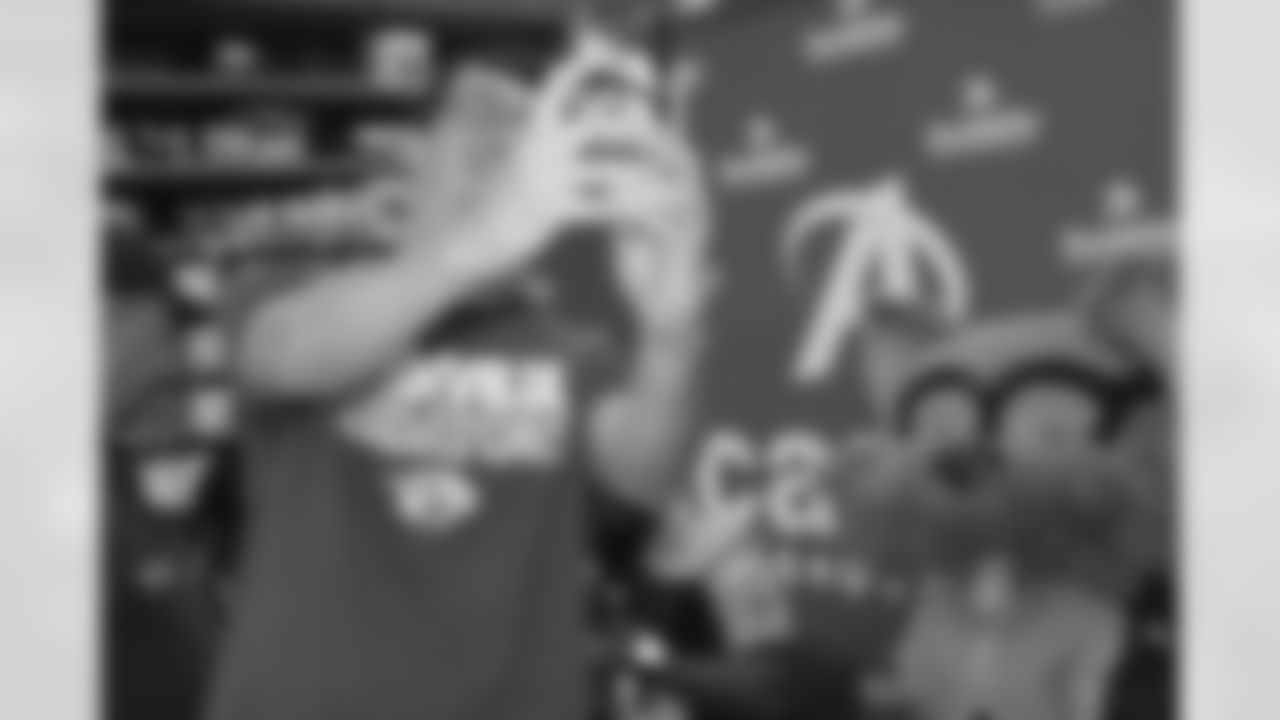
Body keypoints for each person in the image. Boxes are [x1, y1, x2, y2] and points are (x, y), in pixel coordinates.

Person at [203, 34, 712, 720]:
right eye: (481, 120)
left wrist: (671, 332)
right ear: (416, 153)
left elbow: (642, 473)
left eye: (529, 136)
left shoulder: (570, 351)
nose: (505, 150)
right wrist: (478, 243)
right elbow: (285, 352)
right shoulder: (300, 289)